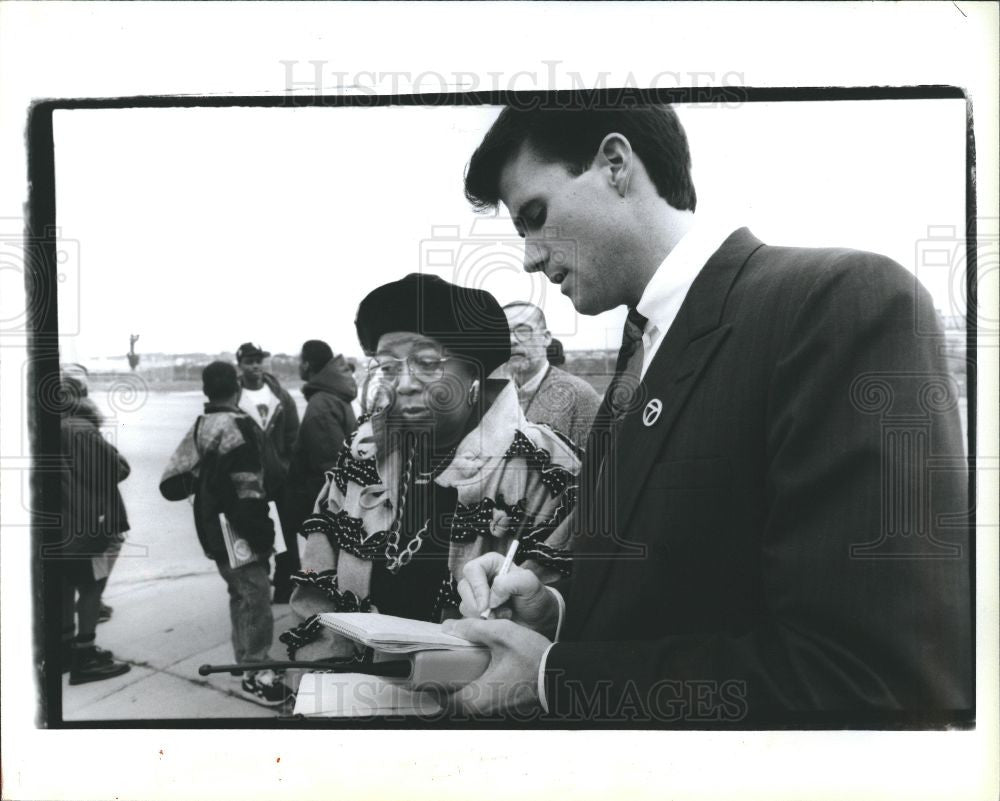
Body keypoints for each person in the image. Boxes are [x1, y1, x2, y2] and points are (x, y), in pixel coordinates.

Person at [444, 104, 972, 722]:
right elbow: (690, 592)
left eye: (536, 217)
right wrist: (556, 613)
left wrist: (556, 677)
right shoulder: (643, 351)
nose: (531, 258)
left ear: (616, 163)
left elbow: (873, 674)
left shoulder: (837, 301)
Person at [280, 274, 581, 663]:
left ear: (473, 371)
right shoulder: (360, 460)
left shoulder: (544, 471)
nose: (403, 383)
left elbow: (550, 624)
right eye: (387, 367)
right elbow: (316, 602)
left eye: (425, 363)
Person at [159, 361, 293, 706]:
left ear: (206, 390)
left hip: (212, 531)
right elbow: (252, 487)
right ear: (237, 389)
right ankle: (256, 671)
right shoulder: (240, 428)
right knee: (257, 595)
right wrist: (263, 535)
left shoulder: (201, 425)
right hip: (242, 531)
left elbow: (172, 483)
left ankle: (242, 659)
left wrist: (209, 489)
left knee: (240, 594)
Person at [56, 374, 132, 685]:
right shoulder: (80, 430)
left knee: (65, 586)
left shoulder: (46, 429)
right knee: (92, 587)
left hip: (63, 526)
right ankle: (84, 657)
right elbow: (114, 471)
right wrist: (115, 456)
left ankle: (64, 649)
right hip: (91, 524)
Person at [284, 339, 359, 602]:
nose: (298, 365)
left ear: (307, 363)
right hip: (337, 508)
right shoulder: (332, 397)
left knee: (327, 580)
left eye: (299, 360)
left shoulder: (321, 404)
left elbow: (332, 468)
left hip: (328, 510)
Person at [235, 342, 301, 603]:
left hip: (279, 479)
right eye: (249, 361)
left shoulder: (280, 396)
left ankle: (286, 587)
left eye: (259, 360)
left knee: (286, 534)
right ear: (239, 364)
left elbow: (293, 436)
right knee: (252, 533)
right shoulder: (235, 396)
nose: (255, 365)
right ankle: (258, 585)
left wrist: (285, 466)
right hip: (248, 481)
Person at [502, 301, 600, 449]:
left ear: (546, 338)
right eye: (503, 333)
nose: (511, 340)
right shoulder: (493, 395)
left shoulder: (579, 395)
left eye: (523, 331)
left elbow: (597, 466)